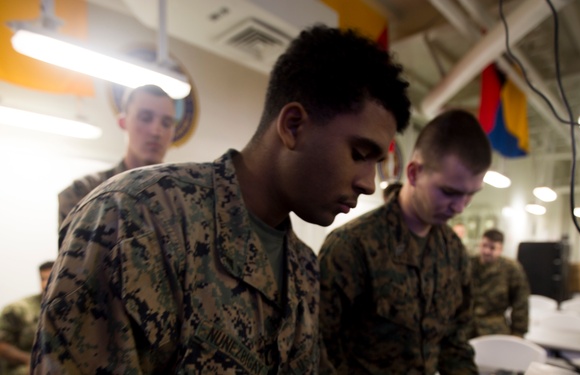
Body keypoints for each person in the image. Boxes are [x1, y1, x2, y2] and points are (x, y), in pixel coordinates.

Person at [31, 25, 411, 374]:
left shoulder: (303, 268)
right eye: (361, 154)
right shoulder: (134, 218)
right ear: (293, 126)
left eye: (377, 163)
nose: (369, 184)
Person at [319, 108, 492, 374]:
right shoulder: (352, 246)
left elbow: (454, 343)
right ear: (413, 173)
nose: (460, 207)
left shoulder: (453, 252)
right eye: (449, 192)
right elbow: (319, 351)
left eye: (470, 195)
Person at [57, 84, 176, 227]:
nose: (157, 131)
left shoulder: (179, 198)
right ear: (123, 122)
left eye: (166, 123)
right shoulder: (84, 194)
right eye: (145, 118)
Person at [469, 228, 530, 338]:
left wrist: (518, 333)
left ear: (500, 249)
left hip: (494, 329)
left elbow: (521, 304)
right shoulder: (469, 265)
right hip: (466, 327)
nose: (486, 251)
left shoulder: (511, 269)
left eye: (492, 248)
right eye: (484, 245)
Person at [0, 261, 54, 375]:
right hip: (24, 368)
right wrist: (30, 360)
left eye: (50, 279)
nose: (45, 284)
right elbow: (2, 344)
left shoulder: (73, 309)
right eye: (42, 279)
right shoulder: (18, 309)